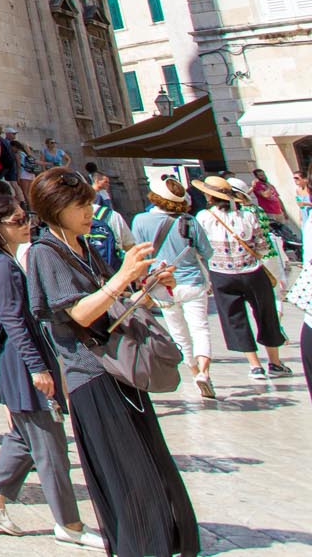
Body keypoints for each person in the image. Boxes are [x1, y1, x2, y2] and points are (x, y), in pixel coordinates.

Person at [23, 168, 197, 555]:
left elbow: (111, 306)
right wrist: (122, 276)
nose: (90, 211)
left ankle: (165, 542)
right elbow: (79, 314)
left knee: (148, 463)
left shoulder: (82, 247)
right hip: (90, 375)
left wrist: (147, 285)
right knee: (128, 473)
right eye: (80, 205)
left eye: (88, 203)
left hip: (119, 367)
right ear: (56, 208)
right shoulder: (43, 253)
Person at [0, 181, 95, 544]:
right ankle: (69, 525)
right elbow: (13, 320)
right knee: (50, 446)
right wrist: (38, 367)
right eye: (18, 219)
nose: (27, 225)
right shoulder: (2, 267)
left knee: (23, 438)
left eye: (27, 218)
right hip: (20, 364)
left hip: (11, 363)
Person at [194, 175, 291, 378]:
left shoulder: (203, 217)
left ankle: (255, 365)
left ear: (210, 197)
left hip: (221, 273)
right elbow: (263, 246)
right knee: (266, 314)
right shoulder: (247, 216)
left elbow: (201, 249)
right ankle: (274, 362)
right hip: (251, 271)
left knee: (235, 318)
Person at [130, 173, 215, 398]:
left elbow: (141, 253)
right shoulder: (189, 221)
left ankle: (193, 370)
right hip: (192, 281)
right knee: (200, 328)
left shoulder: (140, 221)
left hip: (161, 284)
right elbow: (207, 251)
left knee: (178, 333)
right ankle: (204, 372)